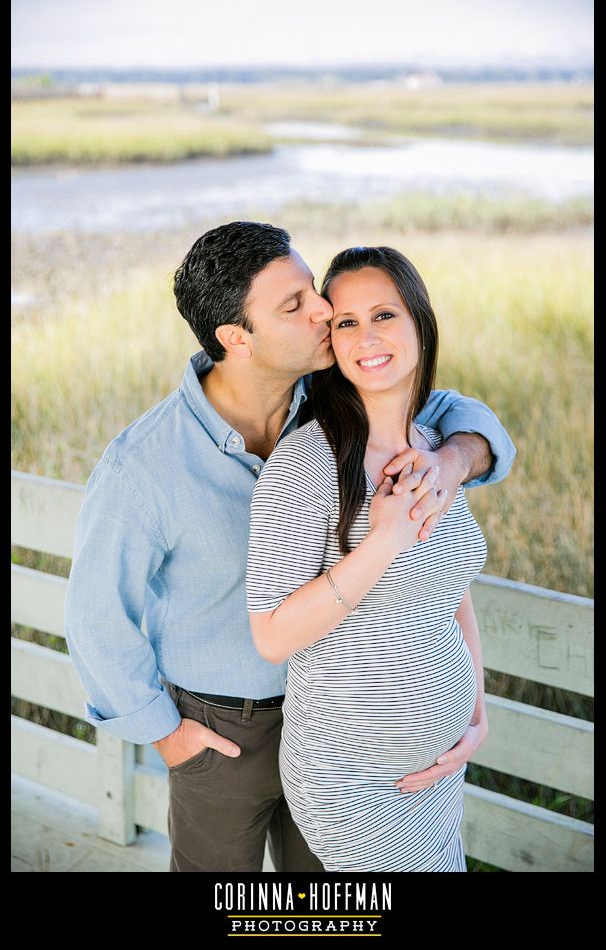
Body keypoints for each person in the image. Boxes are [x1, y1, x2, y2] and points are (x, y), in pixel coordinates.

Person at [64, 222, 515, 873]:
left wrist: (450, 461)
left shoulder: (335, 402)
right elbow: (96, 617)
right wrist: (165, 733)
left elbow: (459, 414)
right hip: (227, 729)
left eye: (312, 289)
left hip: (337, 721)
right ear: (235, 339)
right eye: (295, 304)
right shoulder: (146, 465)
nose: (324, 312)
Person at [247, 244, 499, 873]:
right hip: (352, 782)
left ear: (420, 321)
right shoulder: (306, 466)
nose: (367, 337)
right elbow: (273, 636)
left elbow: (449, 588)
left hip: (438, 776)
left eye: (384, 315)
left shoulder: (436, 451)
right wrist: (382, 539)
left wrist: (476, 704)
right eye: (347, 323)